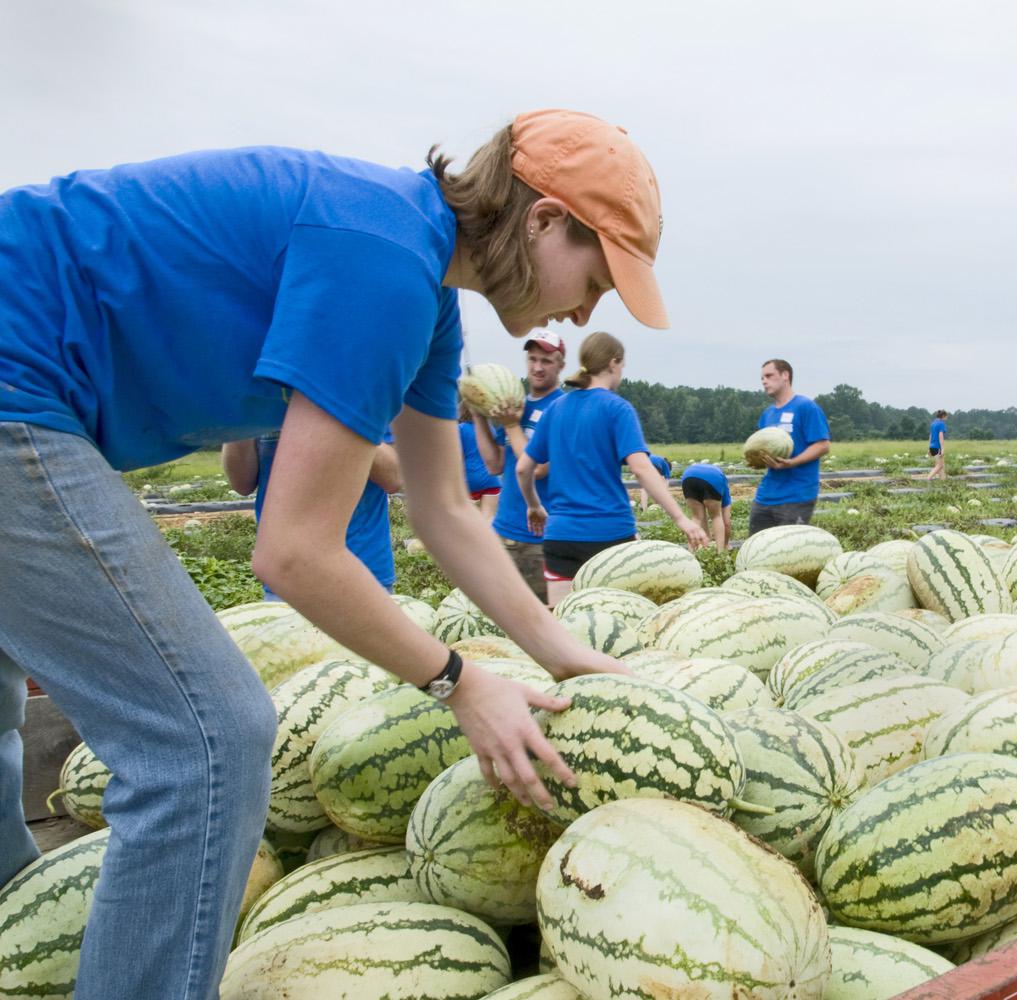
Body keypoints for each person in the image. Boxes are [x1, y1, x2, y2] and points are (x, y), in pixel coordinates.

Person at [0, 108, 664, 999]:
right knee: (209, 743)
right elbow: (295, 552)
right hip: (16, 387)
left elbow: (441, 508)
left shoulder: (418, 289)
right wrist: (460, 682)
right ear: (543, 220)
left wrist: (558, 648)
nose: (587, 310)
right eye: (597, 276)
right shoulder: (382, 259)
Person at [518, 332, 707, 605]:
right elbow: (641, 469)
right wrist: (681, 519)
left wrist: (533, 505)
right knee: (617, 625)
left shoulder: (555, 409)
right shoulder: (617, 409)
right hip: (609, 535)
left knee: (563, 623)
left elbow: (524, 469)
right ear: (613, 363)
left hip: (560, 537)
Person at [221, 432, 402, 596]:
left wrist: (341, 411)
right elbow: (241, 484)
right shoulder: (261, 398)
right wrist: (243, 415)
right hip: (287, 577)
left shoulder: (369, 396)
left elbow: (393, 478)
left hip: (364, 571)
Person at [474, 331, 567, 601]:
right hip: (504, 532)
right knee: (499, 623)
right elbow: (495, 464)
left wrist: (512, 425)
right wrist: (479, 414)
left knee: (542, 623)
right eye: (533, 359)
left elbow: (539, 468)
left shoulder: (562, 408)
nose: (537, 367)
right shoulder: (516, 405)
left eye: (547, 361)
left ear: (561, 365)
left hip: (543, 541)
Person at [749, 359, 831, 534]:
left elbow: (823, 445)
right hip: (766, 495)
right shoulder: (767, 414)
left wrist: (792, 462)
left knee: (787, 554)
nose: (764, 381)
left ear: (785, 375)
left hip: (797, 495)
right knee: (756, 547)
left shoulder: (806, 407)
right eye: (762, 377)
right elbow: (764, 448)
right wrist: (756, 459)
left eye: (769, 376)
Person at [457, 407, 501, 522]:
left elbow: (457, 458)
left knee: (466, 520)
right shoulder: (490, 429)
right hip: (491, 480)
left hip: (469, 481)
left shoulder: (460, 429)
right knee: (488, 518)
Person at [680, 462, 733, 551]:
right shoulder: (725, 486)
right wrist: (726, 544)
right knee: (716, 516)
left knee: (697, 517)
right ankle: (721, 554)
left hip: (688, 476)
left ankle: (692, 552)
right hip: (713, 478)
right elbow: (726, 523)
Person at [926, 409, 949, 481]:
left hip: (932, 447)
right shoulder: (941, 423)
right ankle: (928, 478)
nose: (947, 418)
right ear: (943, 416)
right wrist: (942, 449)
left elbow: (930, 436)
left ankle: (943, 480)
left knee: (941, 465)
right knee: (940, 465)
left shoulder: (933, 424)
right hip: (937, 447)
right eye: (946, 417)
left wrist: (929, 448)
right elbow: (941, 436)